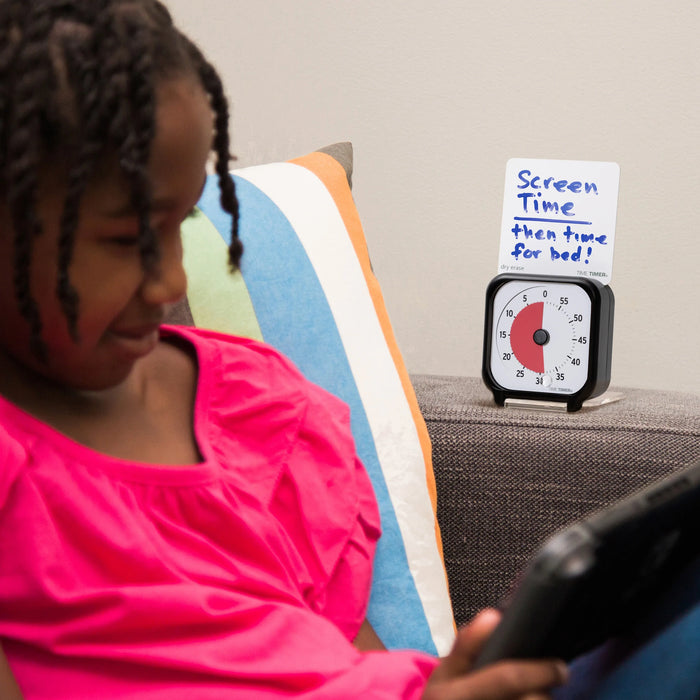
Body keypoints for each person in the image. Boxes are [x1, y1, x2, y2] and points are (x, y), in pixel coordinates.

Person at [0, 1, 569, 697]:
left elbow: (341, 659)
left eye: (180, 225)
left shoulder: (259, 408)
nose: (172, 279)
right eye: (130, 241)